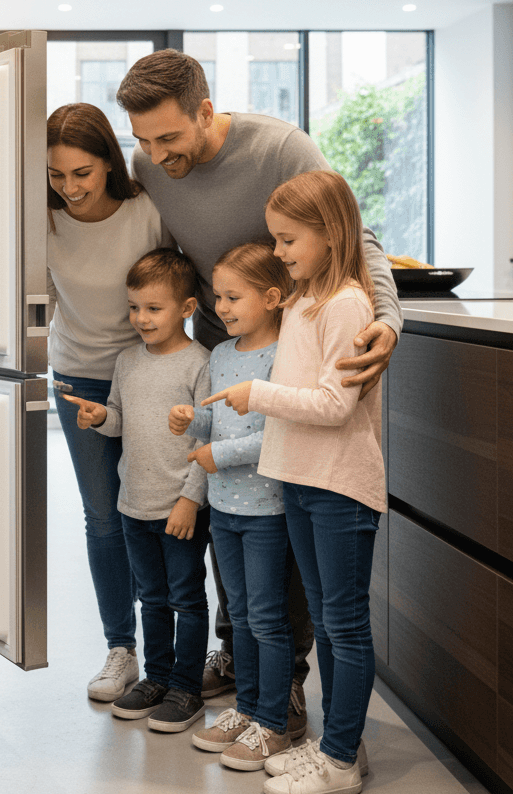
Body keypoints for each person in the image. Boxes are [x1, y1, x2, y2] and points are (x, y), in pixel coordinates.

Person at [116, 50, 402, 722]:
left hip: (292, 353)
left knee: (281, 519)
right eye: (143, 141)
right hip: (224, 354)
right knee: (232, 512)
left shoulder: (280, 149)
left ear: (205, 111)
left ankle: (287, 677)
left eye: (168, 137)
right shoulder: (146, 166)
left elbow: (355, 237)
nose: (155, 155)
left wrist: (388, 318)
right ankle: (238, 653)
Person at [205, 170, 386, 794]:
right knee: (328, 626)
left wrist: (257, 394)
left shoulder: (347, 305)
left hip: (340, 486)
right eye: (275, 240)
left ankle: (339, 761)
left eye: (288, 240)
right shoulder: (306, 303)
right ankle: (339, 746)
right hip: (303, 482)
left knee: (345, 626)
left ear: (330, 234)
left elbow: (335, 404)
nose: (278, 252)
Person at [46, 103, 174, 702]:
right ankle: (120, 649)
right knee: (102, 515)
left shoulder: (147, 211)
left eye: (82, 173)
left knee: (156, 511)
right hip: (78, 378)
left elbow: (176, 286)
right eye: (56, 175)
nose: (69, 188)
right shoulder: (42, 220)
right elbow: (37, 297)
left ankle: (172, 650)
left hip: (148, 376)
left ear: (108, 163)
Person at [63, 248, 211, 732]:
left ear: (186, 308)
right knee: (151, 598)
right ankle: (157, 678)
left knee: (186, 599)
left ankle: (186, 688)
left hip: (180, 508)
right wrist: (100, 418)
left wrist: (190, 499)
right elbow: (121, 421)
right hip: (134, 506)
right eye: (134, 307)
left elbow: (208, 438)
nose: (141, 318)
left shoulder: (199, 364)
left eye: (153, 308)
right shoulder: (127, 361)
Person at [167, 243, 301, 770]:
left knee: (267, 618)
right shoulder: (221, 355)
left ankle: (273, 722)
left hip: (268, 511)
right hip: (223, 510)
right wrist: (191, 420)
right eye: (217, 297)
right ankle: (246, 709)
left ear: (271, 298)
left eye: (232, 297)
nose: (220, 307)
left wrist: (216, 455)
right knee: (240, 616)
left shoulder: (286, 356)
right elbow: (216, 421)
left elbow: (279, 434)